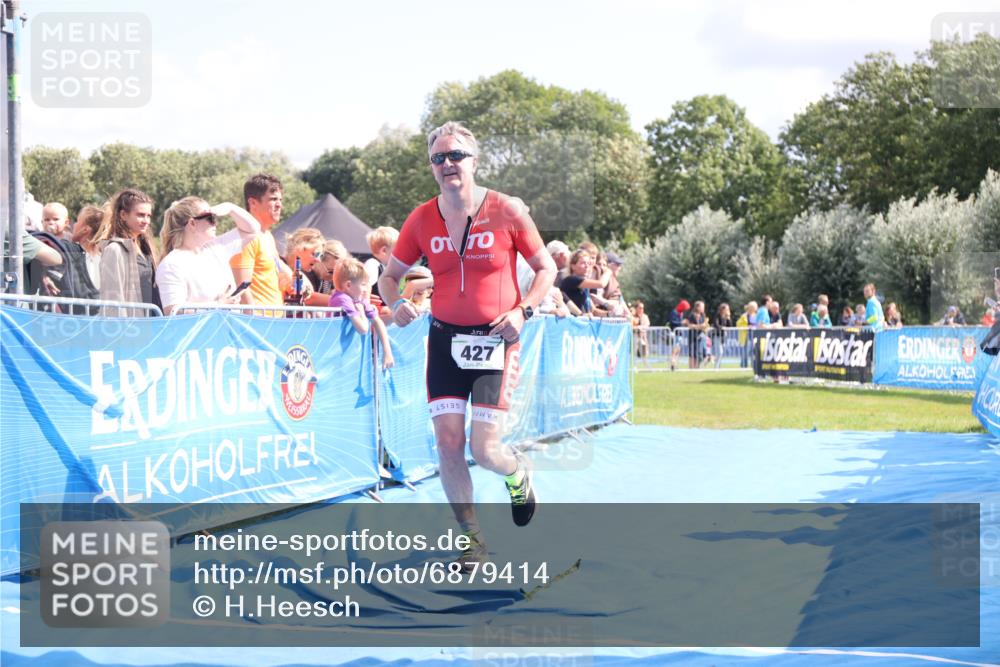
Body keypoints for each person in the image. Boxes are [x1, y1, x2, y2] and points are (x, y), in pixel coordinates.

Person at [378, 121, 556, 569]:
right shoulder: (421, 218)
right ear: (431, 168)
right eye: (439, 158)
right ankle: (471, 541)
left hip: (495, 340)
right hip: (444, 341)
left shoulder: (508, 210)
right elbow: (388, 276)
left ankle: (516, 472)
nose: (448, 164)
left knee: (484, 450)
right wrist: (396, 302)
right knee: (448, 442)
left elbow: (546, 270)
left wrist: (524, 311)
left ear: (474, 161)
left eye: (456, 156)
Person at [156, 198, 261, 315]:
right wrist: (218, 306)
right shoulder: (171, 264)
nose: (215, 223)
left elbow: (253, 229)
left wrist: (231, 207)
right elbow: (172, 310)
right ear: (192, 223)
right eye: (210, 218)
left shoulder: (216, 247)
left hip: (226, 329)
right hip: (199, 332)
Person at [230, 174, 292, 315]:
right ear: (252, 203)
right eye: (273, 199)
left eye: (280, 200)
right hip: (258, 325)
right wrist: (256, 323)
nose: (279, 205)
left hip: (273, 322)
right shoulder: (246, 238)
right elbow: (242, 288)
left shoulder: (267, 236)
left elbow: (275, 271)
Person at [94, 188, 159, 316]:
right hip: (130, 328)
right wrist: (122, 332)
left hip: (151, 323)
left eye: (148, 216)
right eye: (140, 215)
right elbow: (112, 300)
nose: (146, 221)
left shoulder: (147, 248)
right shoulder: (114, 250)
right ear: (123, 215)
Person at [329, 258, 394, 369]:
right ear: (348, 285)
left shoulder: (358, 300)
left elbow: (377, 321)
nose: (366, 289)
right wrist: (362, 313)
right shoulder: (342, 299)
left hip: (350, 357)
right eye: (363, 284)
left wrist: (387, 352)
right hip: (335, 356)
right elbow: (363, 329)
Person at [560, 250, 603, 316]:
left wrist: (610, 313)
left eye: (588, 263)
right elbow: (601, 284)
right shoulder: (571, 280)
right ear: (573, 266)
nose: (587, 266)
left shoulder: (584, 286)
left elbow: (593, 311)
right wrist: (608, 271)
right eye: (583, 263)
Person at [72, 205, 104, 290]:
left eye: (77, 221)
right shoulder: (103, 258)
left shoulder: (73, 255)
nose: (74, 225)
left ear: (85, 230)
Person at [712, 302, 733, 368]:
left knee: (721, 352)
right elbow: (716, 324)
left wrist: (728, 318)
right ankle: (716, 367)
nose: (728, 310)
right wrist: (722, 328)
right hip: (717, 335)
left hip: (723, 337)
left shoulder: (726, 317)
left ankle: (718, 366)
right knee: (720, 352)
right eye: (726, 309)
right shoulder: (717, 315)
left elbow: (729, 326)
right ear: (722, 309)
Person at [736, 301, 756, 368]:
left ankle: (753, 365)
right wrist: (746, 327)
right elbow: (738, 324)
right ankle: (744, 365)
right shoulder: (744, 316)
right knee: (745, 351)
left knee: (754, 351)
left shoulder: (756, 315)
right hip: (747, 335)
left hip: (754, 335)